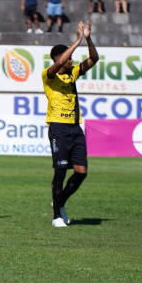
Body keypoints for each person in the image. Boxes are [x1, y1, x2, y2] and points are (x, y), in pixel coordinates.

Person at [44, 20, 97, 228]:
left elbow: (94, 58)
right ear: (59, 59)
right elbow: (57, 65)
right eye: (69, 58)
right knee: (60, 171)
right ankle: (57, 216)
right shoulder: (48, 75)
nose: (72, 60)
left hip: (75, 129)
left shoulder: (73, 73)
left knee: (81, 172)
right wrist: (76, 40)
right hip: (57, 128)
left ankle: (60, 201)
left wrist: (88, 39)